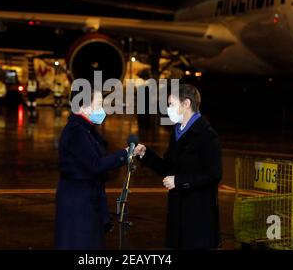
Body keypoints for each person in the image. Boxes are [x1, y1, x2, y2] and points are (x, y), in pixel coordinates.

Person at [134, 83, 222, 249]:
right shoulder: (178, 132)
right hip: (178, 213)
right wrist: (146, 155)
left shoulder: (207, 135)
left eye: (171, 104)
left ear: (186, 104)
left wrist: (179, 181)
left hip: (198, 215)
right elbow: (168, 167)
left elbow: (213, 175)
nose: (169, 109)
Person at [55, 86, 129, 250]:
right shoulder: (77, 132)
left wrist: (126, 154)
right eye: (99, 104)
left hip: (84, 199)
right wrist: (123, 154)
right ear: (83, 107)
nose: (102, 109)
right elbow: (96, 165)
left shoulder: (86, 130)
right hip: (78, 203)